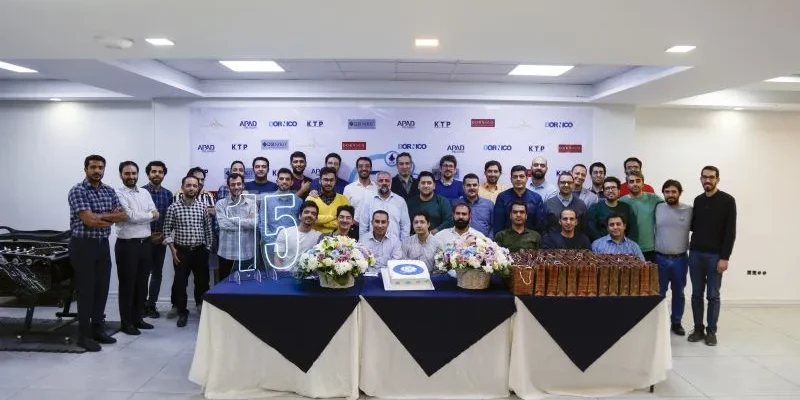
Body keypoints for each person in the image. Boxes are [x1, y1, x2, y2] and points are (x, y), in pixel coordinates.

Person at [68, 155, 127, 351]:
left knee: (102, 290)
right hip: (83, 245)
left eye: (100, 167)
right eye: (93, 167)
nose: (97, 171)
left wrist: (99, 217)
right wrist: (107, 218)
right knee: (86, 292)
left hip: (102, 245)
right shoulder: (78, 190)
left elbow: (122, 215)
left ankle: (97, 330)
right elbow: (88, 220)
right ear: (85, 169)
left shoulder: (109, 190)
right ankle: (83, 336)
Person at [687, 166, 737, 347]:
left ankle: (711, 331)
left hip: (715, 256)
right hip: (695, 254)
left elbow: (730, 232)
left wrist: (725, 257)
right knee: (696, 294)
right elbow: (694, 226)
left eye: (711, 177)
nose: (707, 180)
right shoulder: (698, 200)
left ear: (717, 179)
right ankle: (698, 329)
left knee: (713, 295)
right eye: (704, 177)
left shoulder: (728, 201)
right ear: (700, 179)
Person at [163, 175, 214, 328]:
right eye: (188, 185)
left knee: (202, 282)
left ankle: (201, 307)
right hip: (181, 252)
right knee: (180, 283)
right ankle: (182, 311)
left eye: (194, 186)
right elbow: (166, 231)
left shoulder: (203, 207)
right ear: (183, 187)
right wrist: (173, 250)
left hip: (200, 251)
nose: (191, 188)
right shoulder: (173, 207)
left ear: (198, 188)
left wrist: (207, 248)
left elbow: (208, 230)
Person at [114, 161, 157, 336]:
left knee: (141, 284)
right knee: (127, 285)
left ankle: (138, 318)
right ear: (121, 175)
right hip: (127, 245)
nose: (131, 176)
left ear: (138, 174)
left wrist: (146, 215)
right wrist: (149, 215)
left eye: (134, 173)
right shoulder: (117, 193)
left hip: (145, 243)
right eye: (127, 173)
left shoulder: (145, 192)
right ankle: (126, 323)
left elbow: (155, 212)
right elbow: (129, 216)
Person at [655, 179, 693, 337]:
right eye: (667, 192)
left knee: (679, 292)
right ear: (663, 193)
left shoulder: (689, 210)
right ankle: (658, 322)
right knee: (659, 293)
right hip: (660, 258)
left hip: (680, 259)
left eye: (673, 192)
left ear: (680, 193)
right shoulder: (657, 208)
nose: (670, 194)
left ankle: (676, 322)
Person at [142, 161, 173, 319]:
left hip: (160, 240)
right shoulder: (140, 192)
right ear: (148, 174)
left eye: (160, 172)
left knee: (157, 274)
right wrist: (149, 235)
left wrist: (163, 234)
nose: (157, 174)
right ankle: (141, 304)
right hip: (142, 240)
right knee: (142, 274)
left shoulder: (168, 194)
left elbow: (170, 218)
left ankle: (151, 305)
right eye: (154, 171)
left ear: (164, 174)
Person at [215, 173, 257, 282]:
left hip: (246, 254)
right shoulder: (220, 204)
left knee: (246, 287)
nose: (236, 187)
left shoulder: (251, 203)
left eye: (239, 184)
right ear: (228, 187)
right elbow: (223, 225)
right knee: (225, 287)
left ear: (243, 185)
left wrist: (232, 219)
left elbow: (254, 223)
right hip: (226, 254)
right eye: (233, 184)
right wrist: (245, 220)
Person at [258, 168, 303, 268]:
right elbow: (262, 224)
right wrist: (274, 243)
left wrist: (293, 242)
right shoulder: (267, 200)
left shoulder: (298, 201)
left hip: (292, 245)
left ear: (292, 182)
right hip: (271, 244)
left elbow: (299, 224)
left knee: (291, 273)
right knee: (272, 274)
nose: (284, 181)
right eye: (281, 179)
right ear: (277, 181)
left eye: (287, 179)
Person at [620, 171, 663, 262]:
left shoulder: (653, 198)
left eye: (638, 181)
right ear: (627, 185)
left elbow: (668, 207)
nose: (635, 184)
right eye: (631, 181)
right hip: (627, 248)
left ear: (643, 183)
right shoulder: (621, 202)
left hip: (649, 249)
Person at [493, 165, 546, 234]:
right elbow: (498, 224)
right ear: (511, 179)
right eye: (515, 177)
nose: (518, 179)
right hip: (507, 238)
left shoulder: (536, 198)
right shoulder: (502, 197)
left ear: (527, 179)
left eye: (521, 176)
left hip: (530, 238)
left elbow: (540, 225)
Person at [359, 171, 411, 241]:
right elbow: (363, 227)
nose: (384, 183)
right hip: (372, 245)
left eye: (387, 181)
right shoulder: (368, 201)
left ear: (391, 183)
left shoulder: (400, 201)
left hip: (395, 245)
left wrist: (403, 245)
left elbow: (405, 226)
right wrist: (363, 244)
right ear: (376, 183)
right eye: (381, 181)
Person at [274, 201, 322, 269]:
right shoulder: (285, 233)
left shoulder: (319, 236)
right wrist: (282, 274)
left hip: (309, 275)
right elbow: (277, 259)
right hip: (287, 273)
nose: (309, 215)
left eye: (313, 214)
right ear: (300, 216)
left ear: (316, 219)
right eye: (306, 212)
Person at [586, 177, 637, 241]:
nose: (610, 191)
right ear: (603, 192)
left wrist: (625, 244)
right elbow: (592, 231)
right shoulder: (594, 208)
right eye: (607, 188)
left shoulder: (626, 208)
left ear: (619, 191)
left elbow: (633, 231)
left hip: (624, 245)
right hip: (602, 245)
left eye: (613, 188)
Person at [406, 171, 454, 235]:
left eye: (429, 183)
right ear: (418, 186)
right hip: (415, 238)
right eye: (423, 183)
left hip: (438, 237)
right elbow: (405, 224)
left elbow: (449, 221)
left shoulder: (442, 201)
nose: (426, 186)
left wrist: (433, 233)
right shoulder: (410, 203)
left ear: (434, 186)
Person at [307, 167, 350, 233]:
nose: (329, 183)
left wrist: (320, 222)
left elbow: (345, 221)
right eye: (326, 180)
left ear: (335, 181)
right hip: (314, 237)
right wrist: (333, 217)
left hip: (337, 237)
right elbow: (309, 218)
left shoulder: (343, 199)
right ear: (320, 181)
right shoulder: (311, 198)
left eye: (331, 180)